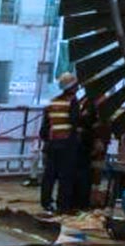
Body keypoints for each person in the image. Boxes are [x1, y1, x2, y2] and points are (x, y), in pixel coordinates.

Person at [40, 72, 80, 214]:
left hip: (52, 144)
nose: (78, 87)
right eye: (76, 85)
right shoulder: (72, 102)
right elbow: (75, 123)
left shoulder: (52, 102)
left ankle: (46, 203)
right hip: (67, 144)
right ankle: (63, 205)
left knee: (49, 175)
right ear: (72, 87)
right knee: (66, 176)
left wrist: (47, 142)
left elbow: (44, 129)